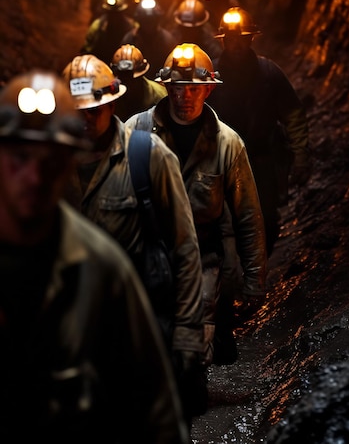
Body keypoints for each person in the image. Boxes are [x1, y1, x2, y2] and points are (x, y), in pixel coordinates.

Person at [0, 69, 190, 443]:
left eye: (52, 160)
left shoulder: (102, 267)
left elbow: (155, 408)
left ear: (72, 162)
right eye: (20, 157)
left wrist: (189, 331)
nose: (36, 177)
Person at [61, 54, 207, 426]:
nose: (82, 120)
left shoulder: (148, 156)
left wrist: (188, 333)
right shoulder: (50, 166)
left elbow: (185, 248)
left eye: (92, 111)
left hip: (140, 330)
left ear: (111, 103)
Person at [125, 43, 267, 367]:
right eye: (176, 87)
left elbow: (248, 214)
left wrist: (254, 282)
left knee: (197, 332)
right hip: (151, 249)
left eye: (192, 88)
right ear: (166, 87)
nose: (183, 96)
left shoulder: (227, 142)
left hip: (205, 256)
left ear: (208, 90)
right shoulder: (136, 132)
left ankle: (191, 386)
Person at [207, 6, 311, 257]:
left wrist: (300, 157)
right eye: (230, 40)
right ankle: (232, 278)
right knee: (222, 222)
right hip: (221, 162)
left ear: (251, 38)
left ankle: (257, 274)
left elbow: (293, 115)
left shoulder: (268, 72)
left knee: (266, 220)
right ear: (223, 41)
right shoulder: (211, 75)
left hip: (262, 161)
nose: (236, 45)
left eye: (241, 39)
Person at [121, 0, 178, 77]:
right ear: (139, 20)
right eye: (145, 21)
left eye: (151, 21)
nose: (148, 25)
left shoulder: (167, 40)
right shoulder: (130, 40)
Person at [110, 43, 167, 121]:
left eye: (133, 81)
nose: (128, 86)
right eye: (124, 81)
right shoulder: (109, 99)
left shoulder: (161, 97)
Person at [80, 0, 138, 65]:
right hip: (101, 67)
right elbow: (87, 51)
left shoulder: (133, 28)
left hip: (125, 68)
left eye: (117, 13)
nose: (114, 17)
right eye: (111, 13)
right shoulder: (97, 26)